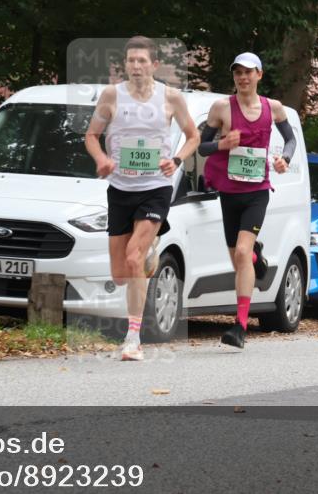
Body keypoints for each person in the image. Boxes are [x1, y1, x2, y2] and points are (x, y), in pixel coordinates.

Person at [85, 36, 201, 361]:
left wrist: (176, 160)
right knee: (121, 274)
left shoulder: (171, 97)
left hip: (155, 188)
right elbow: (92, 136)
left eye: (142, 61)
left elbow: (194, 136)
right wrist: (101, 160)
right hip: (120, 190)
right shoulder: (112, 95)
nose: (136, 66)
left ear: (154, 65)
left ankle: (132, 338)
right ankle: (145, 251)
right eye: (131, 61)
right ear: (125, 65)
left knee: (134, 257)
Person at [199, 52, 296, 349]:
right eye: (238, 72)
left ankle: (240, 326)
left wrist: (285, 159)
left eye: (248, 72)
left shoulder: (273, 108)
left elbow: (290, 140)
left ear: (259, 75)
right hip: (229, 193)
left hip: (257, 192)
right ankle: (258, 257)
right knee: (240, 258)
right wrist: (221, 144)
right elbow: (201, 147)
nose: (243, 77)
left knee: (241, 252)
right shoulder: (220, 108)